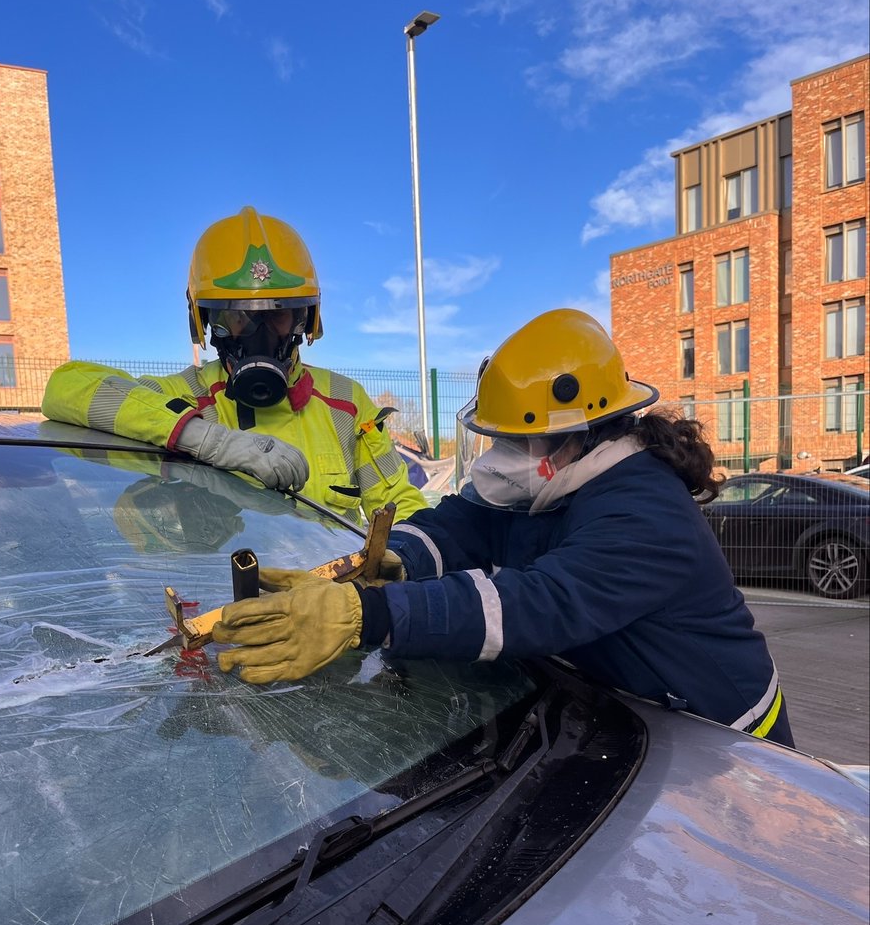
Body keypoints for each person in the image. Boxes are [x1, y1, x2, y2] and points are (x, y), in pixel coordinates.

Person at [211, 308, 795, 748]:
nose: (501, 456)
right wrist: (392, 559)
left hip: (725, 736)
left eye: (517, 440)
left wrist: (372, 615)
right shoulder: (554, 480)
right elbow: (466, 522)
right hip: (631, 715)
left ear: (582, 429)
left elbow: (534, 604)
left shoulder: (645, 512)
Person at [42, 206, 427, 525]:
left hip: (334, 601)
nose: (258, 334)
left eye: (277, 315)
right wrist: (209, 441)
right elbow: (65, 388)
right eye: (237, 317)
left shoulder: (347, 403)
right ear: (207, 323)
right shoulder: (184, 397)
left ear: (303, 320)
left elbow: (397, 505)